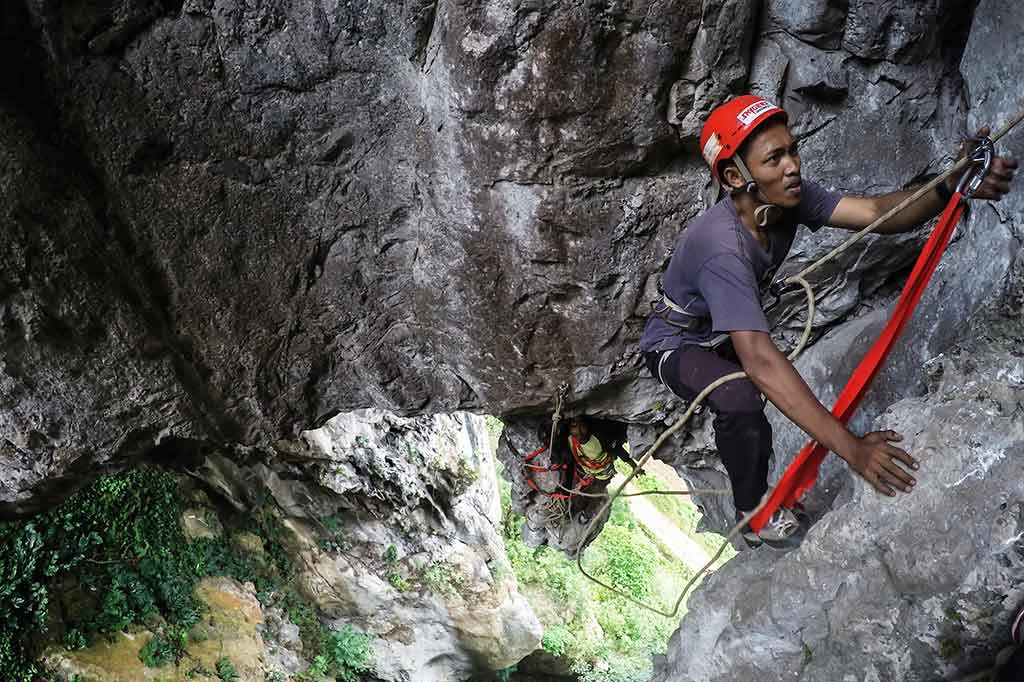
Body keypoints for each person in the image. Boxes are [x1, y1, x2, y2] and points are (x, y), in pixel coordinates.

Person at [640, 95, 1018, 549]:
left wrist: (952, 185)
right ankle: (753, 508)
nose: (792, 166)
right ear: (736, 176)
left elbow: (878, 214)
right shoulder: (723, 249)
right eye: (774, 159)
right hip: (674, 343)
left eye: (792, 150)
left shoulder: (784, 199)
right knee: (740, 395)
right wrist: (853, 450)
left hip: (717, 330)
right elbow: (759, 360)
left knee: (753, 383)